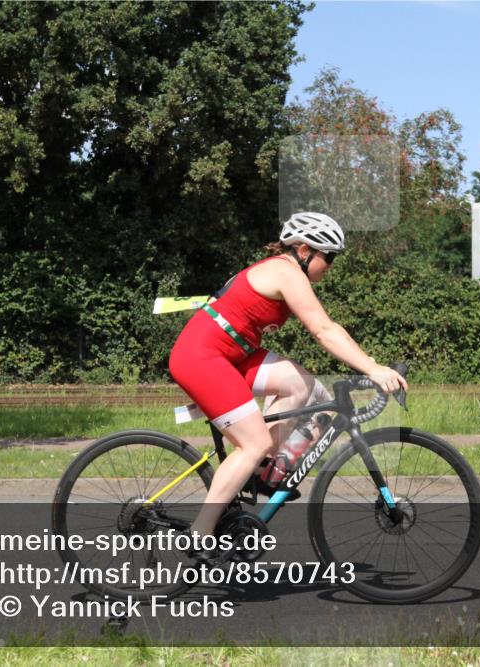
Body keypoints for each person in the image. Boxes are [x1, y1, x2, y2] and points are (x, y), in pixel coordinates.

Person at [168, 212, 408, 554]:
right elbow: (323, 330)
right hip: (202, 357)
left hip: (230, 353)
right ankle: (201, 532)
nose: (331, 266)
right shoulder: (286, 271)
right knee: (251, 444)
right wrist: (372, 368)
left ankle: (261, 471)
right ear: (306, 250)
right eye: (330, 257)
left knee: (305, 386)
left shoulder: (284, 270)